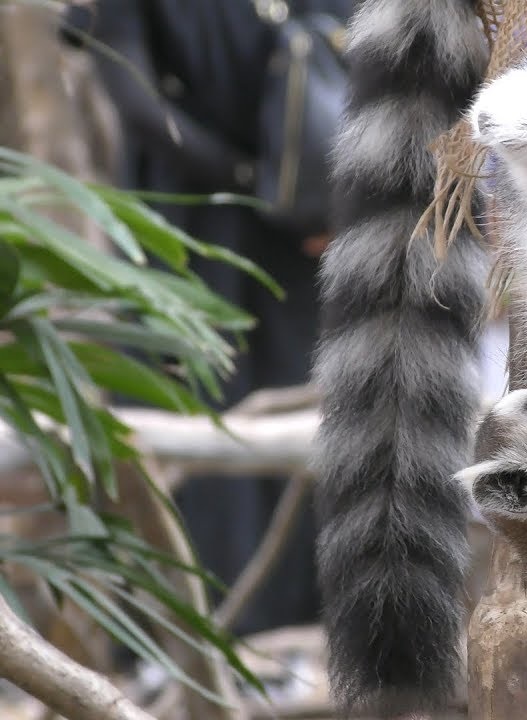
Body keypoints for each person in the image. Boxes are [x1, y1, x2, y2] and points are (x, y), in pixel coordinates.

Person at [61, 0, 354, 639]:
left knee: (225, 411)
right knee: (239, 410)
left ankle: (225, 637)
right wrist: (305, 193)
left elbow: (137, 102)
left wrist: (255, 183)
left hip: (202, 223)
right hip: (283, 226)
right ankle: (258, 637)